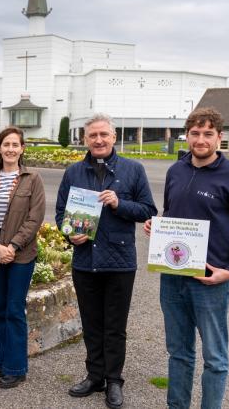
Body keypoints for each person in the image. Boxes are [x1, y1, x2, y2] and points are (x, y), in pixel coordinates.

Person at [144, 107, 229, 409]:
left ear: (219, 137)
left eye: (208, 133)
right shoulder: (176, 171)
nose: (200, 139)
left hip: (210, 282)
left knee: (215, 358)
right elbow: (172, 214)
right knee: (179, 353)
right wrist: (158, 227)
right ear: (187, 135)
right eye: (195, 133)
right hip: (173, 277)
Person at [56, 113, 157, 409]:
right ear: (85, 139)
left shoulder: (133, 169)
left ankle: (114, 380)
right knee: (91, 323)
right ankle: (94, 376)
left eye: (104, 134)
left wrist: (118, 203)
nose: (98, 140)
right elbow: (61, 213)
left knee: (114, 325)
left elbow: (148, 210)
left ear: (113, 137)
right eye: (93, 135)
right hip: (85, 260)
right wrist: (69, 235)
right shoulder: (73, 172)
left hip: (119, 261)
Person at [0, 126, 45, 389]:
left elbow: (35, 217)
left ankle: (16, 368)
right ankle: (3, 361)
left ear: (22, 149)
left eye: (15, 145)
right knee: (1, 309)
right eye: (6, 144)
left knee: (14, 310)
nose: (11, 149)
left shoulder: (32, 179)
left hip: (21, 255)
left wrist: (12, 246)